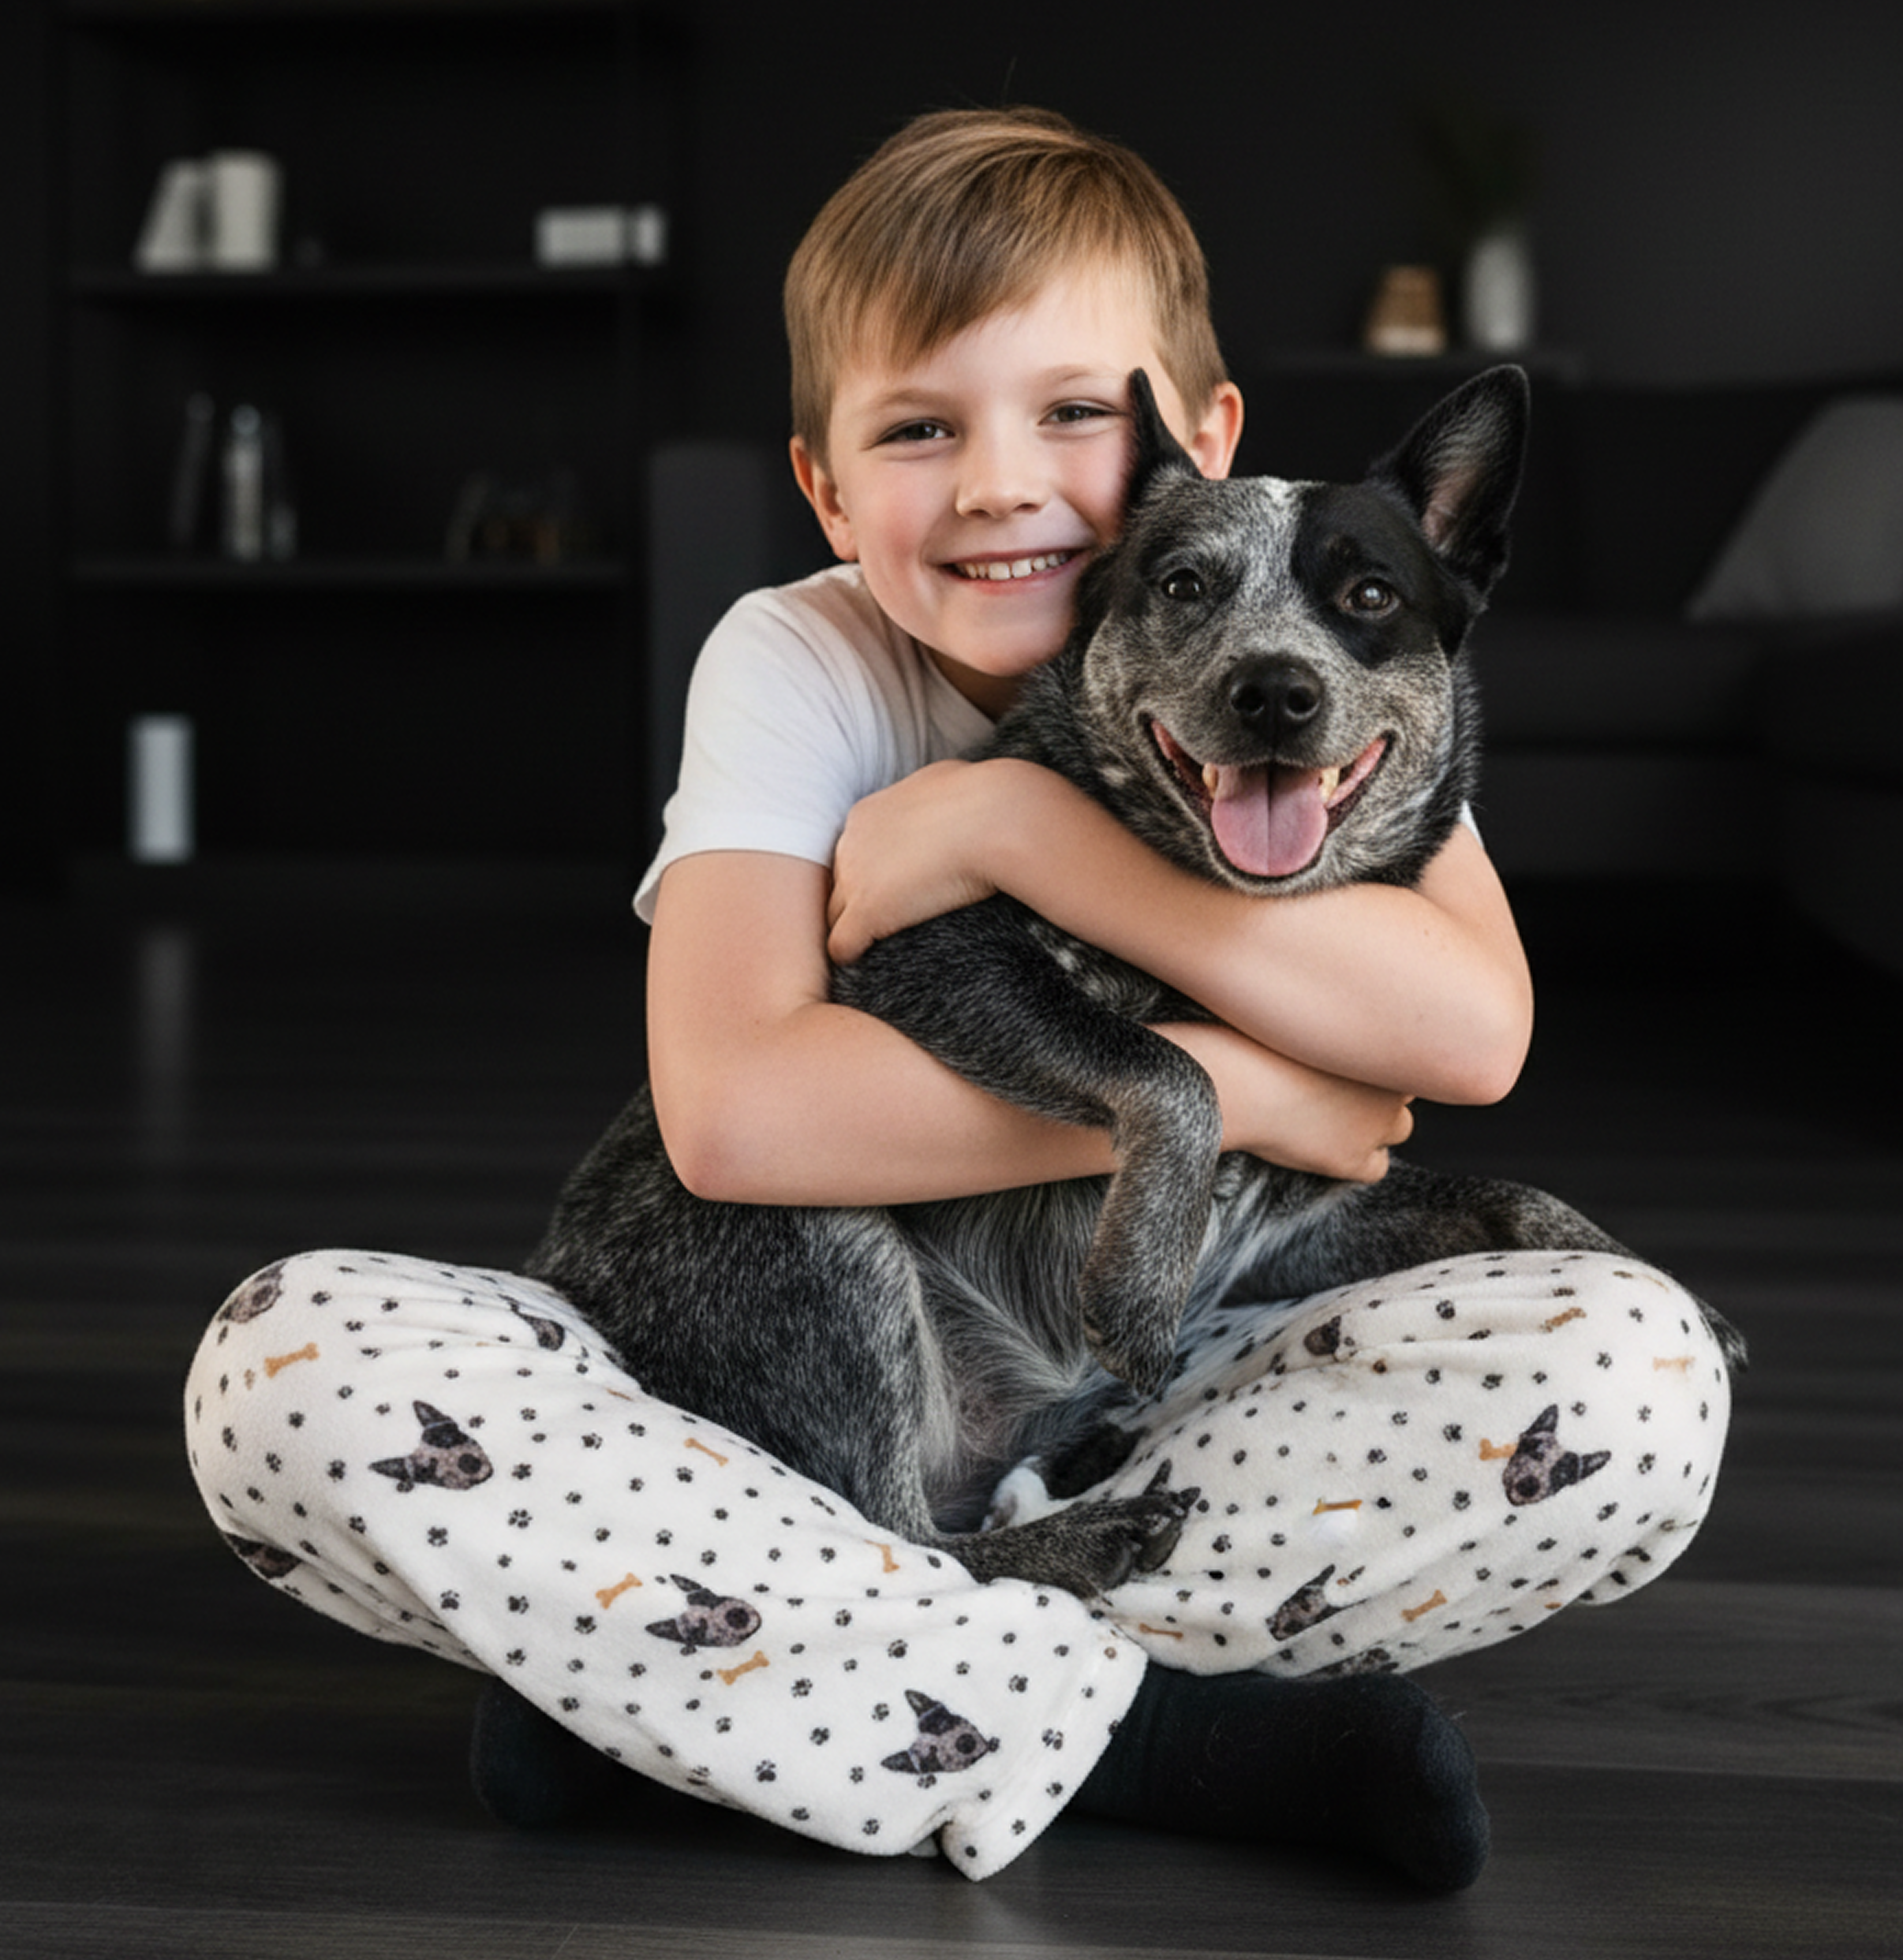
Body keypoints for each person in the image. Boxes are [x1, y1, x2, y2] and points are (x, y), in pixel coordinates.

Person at [185, 106, 1732, 1893]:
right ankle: (1154, 1736)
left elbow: (1467, 1041)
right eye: (921, 429)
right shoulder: (801, 656)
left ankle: (707, 1672)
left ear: (1195, 444)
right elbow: (736, 1118)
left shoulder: (1307, 664)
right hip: (795, 1375)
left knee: (1634, 1380)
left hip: (1093, 1409)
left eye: (1076, 413)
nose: (1003, 481)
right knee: (289, 1365)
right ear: (830, 490)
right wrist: (1228, 1092)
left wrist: (1014, 827)